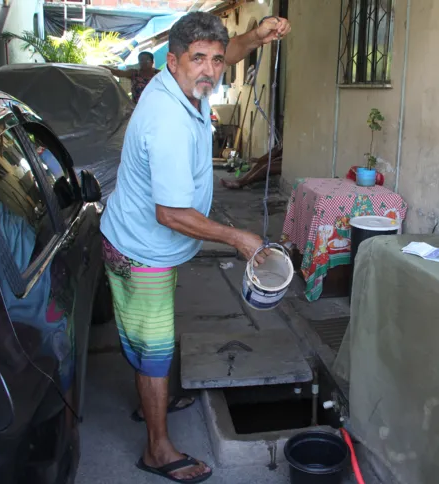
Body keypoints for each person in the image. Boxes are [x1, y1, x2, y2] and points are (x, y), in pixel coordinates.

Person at [99, 12, 291, 483]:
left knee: (153, 344)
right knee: (155, 349)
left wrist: (255, 37)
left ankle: (154, 397)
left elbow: (230, 54)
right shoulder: (166, 120)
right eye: (198, 59)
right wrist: (240, 238)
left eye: (216, 60)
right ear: (173, 60)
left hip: (152, 247)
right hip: (141, 250)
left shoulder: (188, 87)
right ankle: (157, 449)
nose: (209, 70)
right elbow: (171, 215)